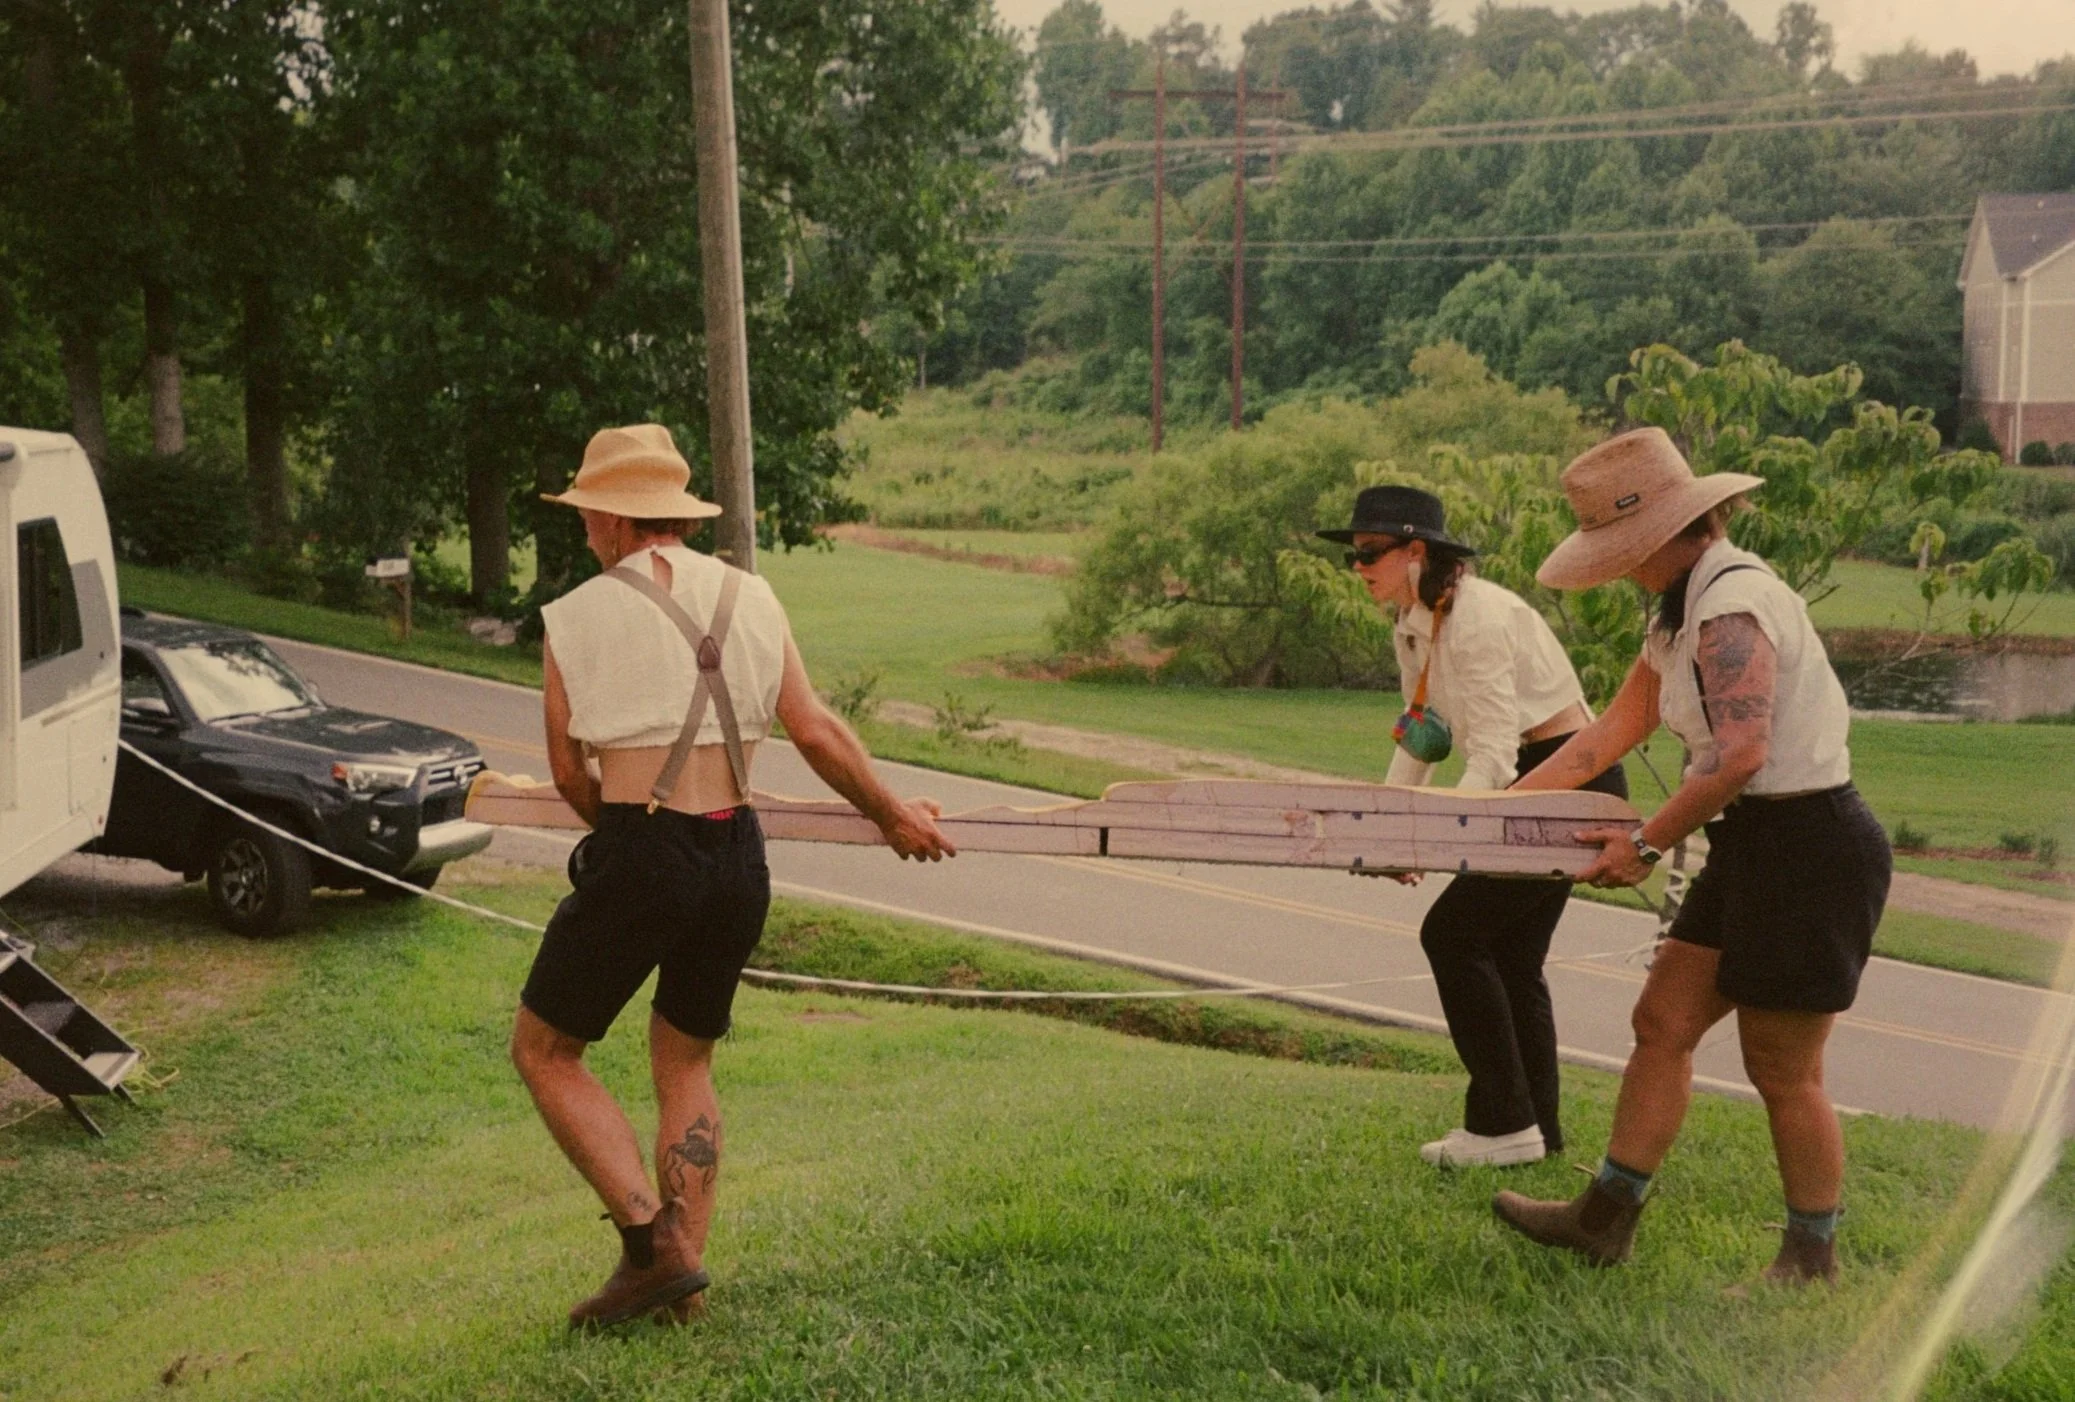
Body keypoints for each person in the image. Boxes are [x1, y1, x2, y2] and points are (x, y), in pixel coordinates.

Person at [510, 424, 956, 1330]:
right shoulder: (750, 596)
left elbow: (567, 775)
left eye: (584, 515)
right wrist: (892, 813)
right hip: (738, 853)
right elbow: (817, 729)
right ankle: (679, 1289)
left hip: (645, 842)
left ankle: (650, 1247)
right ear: (670, 515)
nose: (583, 532)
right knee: (685, 1061)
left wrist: (628, 846)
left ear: (607, 516)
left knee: (545, 1050)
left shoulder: (574, 618)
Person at [1492, 427, 1891, 1286]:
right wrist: (1478, 822)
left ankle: (1809, 1257)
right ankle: (1603, 1219)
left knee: (1782, 1069)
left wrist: (1643, 841)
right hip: (1749, 842)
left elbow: (1741, 752)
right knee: (1661, 1024)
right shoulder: (1674, 613)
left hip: (1810, 846)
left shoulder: (1728, 603)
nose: (1622, 565)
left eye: (1625, 548)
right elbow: (1605, 737)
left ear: (1676, 530)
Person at [1319, 486, 1628, 1168]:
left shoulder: (1478, 617)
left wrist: (1438, 841)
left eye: (1370, 553)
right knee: (1512, 958)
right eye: (1354, 556)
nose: (1358, 567)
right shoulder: (1413, 618)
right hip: (1521, 781)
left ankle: (1502, 1124)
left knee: (1453, 934)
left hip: (1560, 778)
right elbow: (1424, 734)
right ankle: (1534, 1132)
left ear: (1417, 552)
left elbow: (1492, 753)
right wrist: (1389, 830)